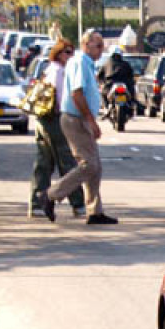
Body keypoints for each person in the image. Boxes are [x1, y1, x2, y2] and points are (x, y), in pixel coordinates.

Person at [40, 29, 118, 226]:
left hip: (79, 117)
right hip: (75, 118)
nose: (102, 49)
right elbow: (77, 93)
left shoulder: (86, 63)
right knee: (89, 165)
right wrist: (90, 121)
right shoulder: (80, 62)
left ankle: (95, 211)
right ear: (86, 45)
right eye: (98, 45)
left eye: (103, 45)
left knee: (95, 166)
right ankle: (50, 195)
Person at [29, 41, 86, 219]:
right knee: (67, 162)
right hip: (55, 120)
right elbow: (62, 98)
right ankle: (78, 204)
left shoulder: (48, 69)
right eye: (68, 53)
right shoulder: (60, 72)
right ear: (59, 54)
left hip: (42, 119)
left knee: (44, 162)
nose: (70, 56)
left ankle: (37, 203)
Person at [98, 48, 136, 112]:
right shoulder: (125, 64)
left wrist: (102, 82)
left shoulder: (106, 63)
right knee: (103, 92)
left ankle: (106, 107)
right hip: (121, 84)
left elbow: (100, 76)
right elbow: (131, 75)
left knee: (103, 92)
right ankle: (107, 107)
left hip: (112, 84)